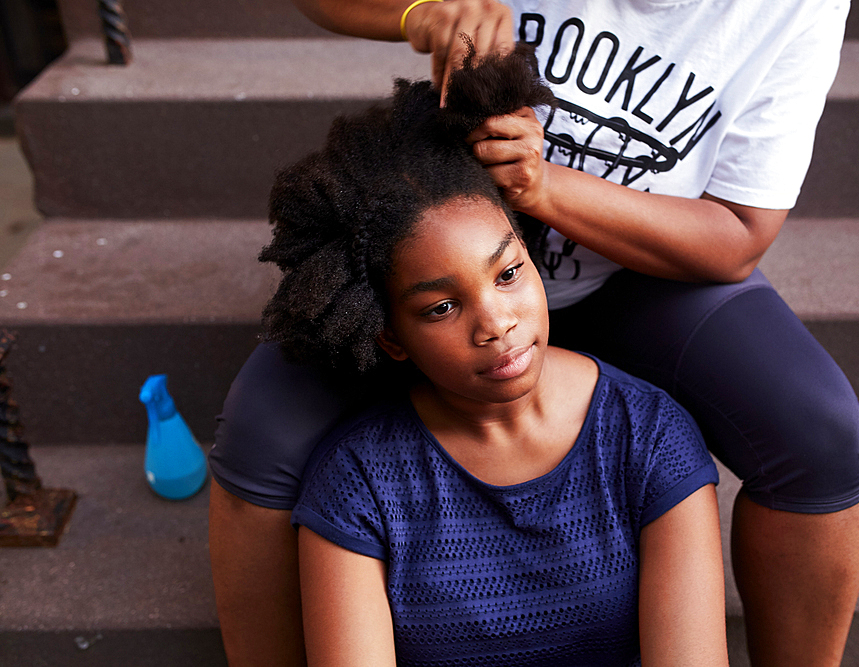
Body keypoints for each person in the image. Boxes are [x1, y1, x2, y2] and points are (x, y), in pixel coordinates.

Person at [210, 0, 859, 665]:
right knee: (260, 432)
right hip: (455, 268)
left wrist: (546, 188)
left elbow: (737, 235)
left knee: (820, 435)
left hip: (634, 275)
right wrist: (419, 12)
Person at [255, 51, 728, 665]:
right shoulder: (359, 484)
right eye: (441, 309)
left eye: (507, 274)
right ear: (391, 338)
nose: (496, 325)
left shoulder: (649, 437)